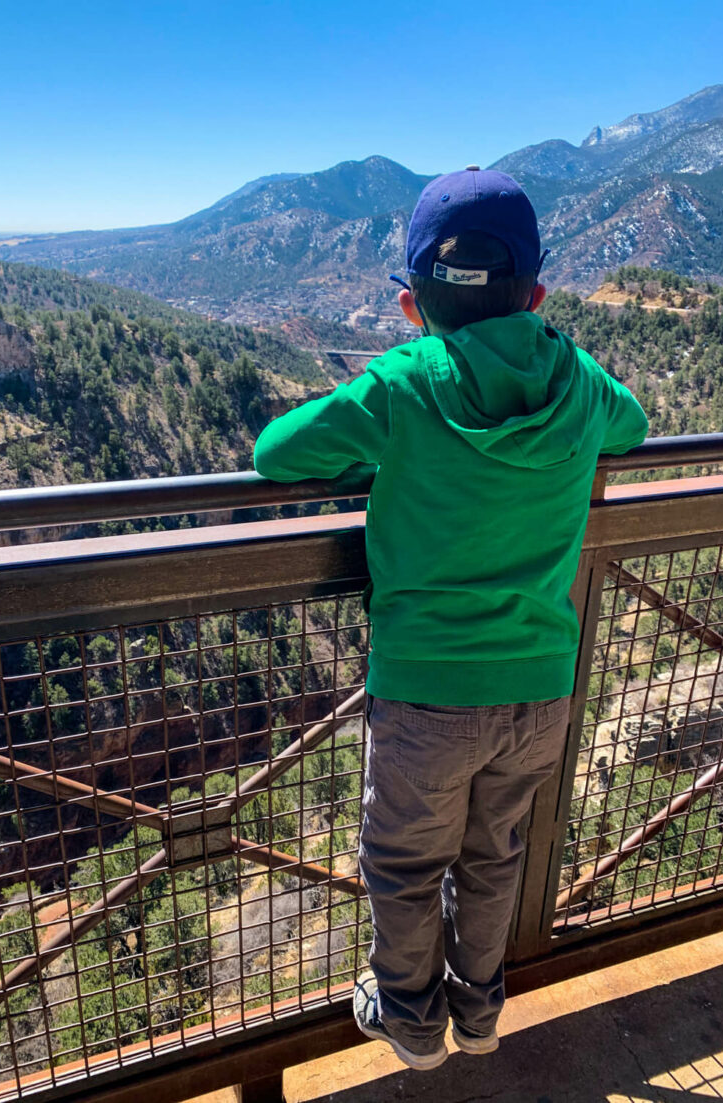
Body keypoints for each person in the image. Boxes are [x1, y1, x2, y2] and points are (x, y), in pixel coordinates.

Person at [253, 167, 648, 1071]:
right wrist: (561, 362)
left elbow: (274, 452)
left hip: (426, 695)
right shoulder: (579, 381)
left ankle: (412, 1024)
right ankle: (478, 1014)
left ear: (408, 303)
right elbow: (632, 425)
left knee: (401, 865)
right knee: (493, 854)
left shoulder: (403, 382)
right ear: (537, 293)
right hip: (539, 685)